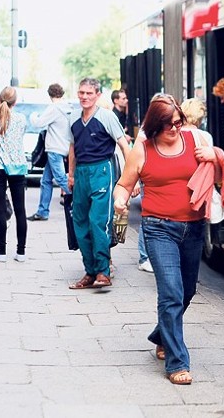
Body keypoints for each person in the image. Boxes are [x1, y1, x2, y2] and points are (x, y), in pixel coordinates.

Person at [113, 93, 220, 386]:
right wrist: (119, 201)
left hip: (193, 227)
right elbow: (124, 184)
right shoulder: (142, 150)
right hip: (159, 228)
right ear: (155, 126)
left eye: (178, 121)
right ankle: (177, 361)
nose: (175, 128)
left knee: (187, 292)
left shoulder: (194, 140)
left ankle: (161, 335)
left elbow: (218, 167)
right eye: (168, 124)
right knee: (171, 292)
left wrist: (214, 156)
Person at [67, 78, 133, 289]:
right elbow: (72, 148)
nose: (84, 97)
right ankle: (90, 272)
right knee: (80, 223)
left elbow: (124, 146)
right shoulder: (73, 118)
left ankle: (103, 272)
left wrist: (130, 178)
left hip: (101, 170)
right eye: (81, 93)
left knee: (97, 221)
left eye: (89, 93)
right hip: (81, 173)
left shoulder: (106, 117)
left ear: (97, 95)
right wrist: (70, 175)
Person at [27, 83, 73, 221]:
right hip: (64, 147)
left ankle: (81, 203)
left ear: (49, 94)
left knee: (60, 179)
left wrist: (33, 115)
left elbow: (38, 123)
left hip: (54, 148)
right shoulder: (68, 108)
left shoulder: (54, 108)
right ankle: (42, 211)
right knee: (46, 180)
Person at [0, 87, 28, 262]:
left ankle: (1, 253)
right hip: (17, 166)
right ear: (15, 102)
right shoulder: (21, 119)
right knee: (20, 210)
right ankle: (21, 252)